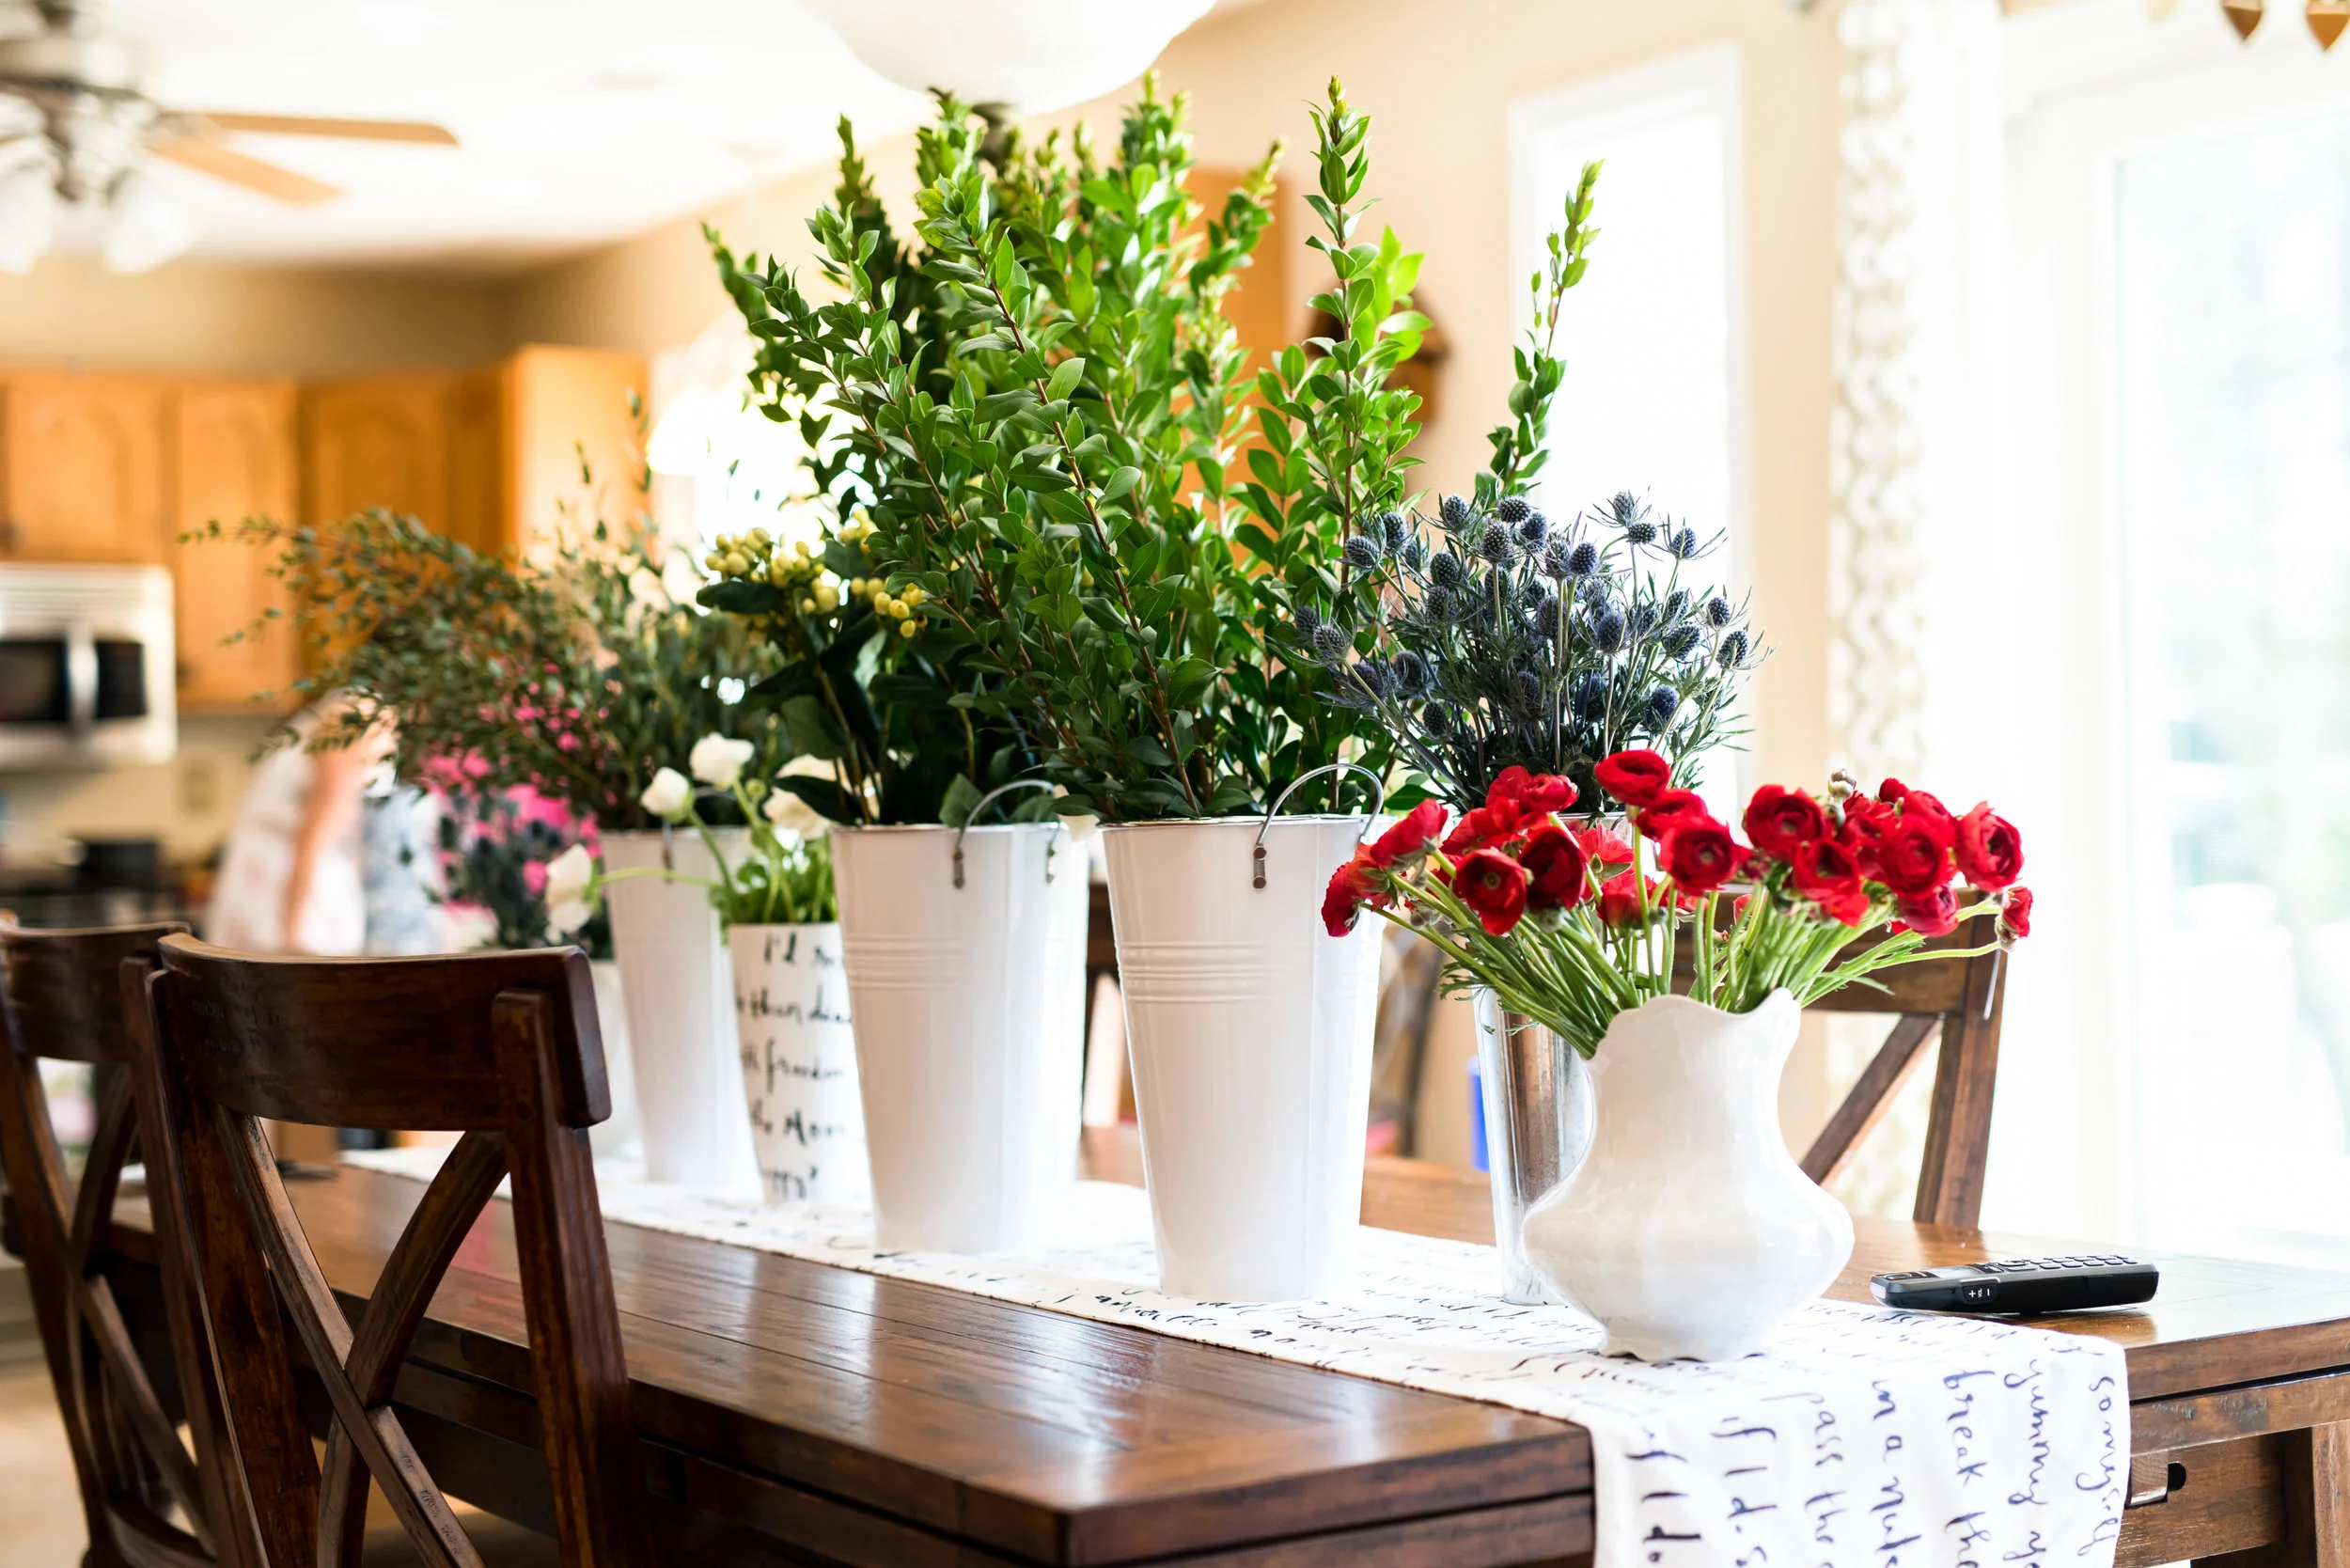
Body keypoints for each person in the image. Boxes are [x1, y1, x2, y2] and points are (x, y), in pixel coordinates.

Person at [207, 698, 444, 954]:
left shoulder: (338, 712)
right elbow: (315, 834)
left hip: (271, 884)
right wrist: (292, 931)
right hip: (293, 894)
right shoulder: (354, 717)